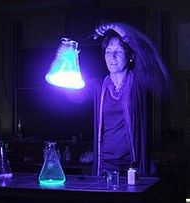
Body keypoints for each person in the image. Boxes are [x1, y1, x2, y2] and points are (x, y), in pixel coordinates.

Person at [68, 22, 170, 177]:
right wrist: (68, 60)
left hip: (133, 165)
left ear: (130, 56)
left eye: (118, 51)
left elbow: (143, 51)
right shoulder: (98, 86)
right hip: (105, 164)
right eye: (108, 51)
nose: (112, 56)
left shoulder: (139, 82)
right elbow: (76, 97)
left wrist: (115, 27)